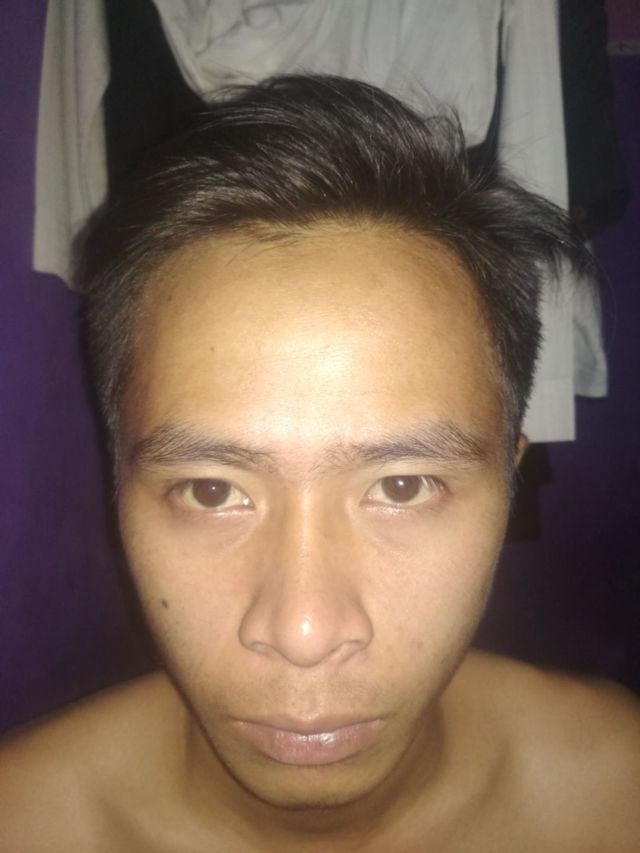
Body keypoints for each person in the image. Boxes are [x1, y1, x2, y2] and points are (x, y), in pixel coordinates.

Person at [1, 75, 638, 853]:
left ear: (510, 482)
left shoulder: (618, 796)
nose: (303, 632)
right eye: (212, 490)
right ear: (118, 485)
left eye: (402, 485)